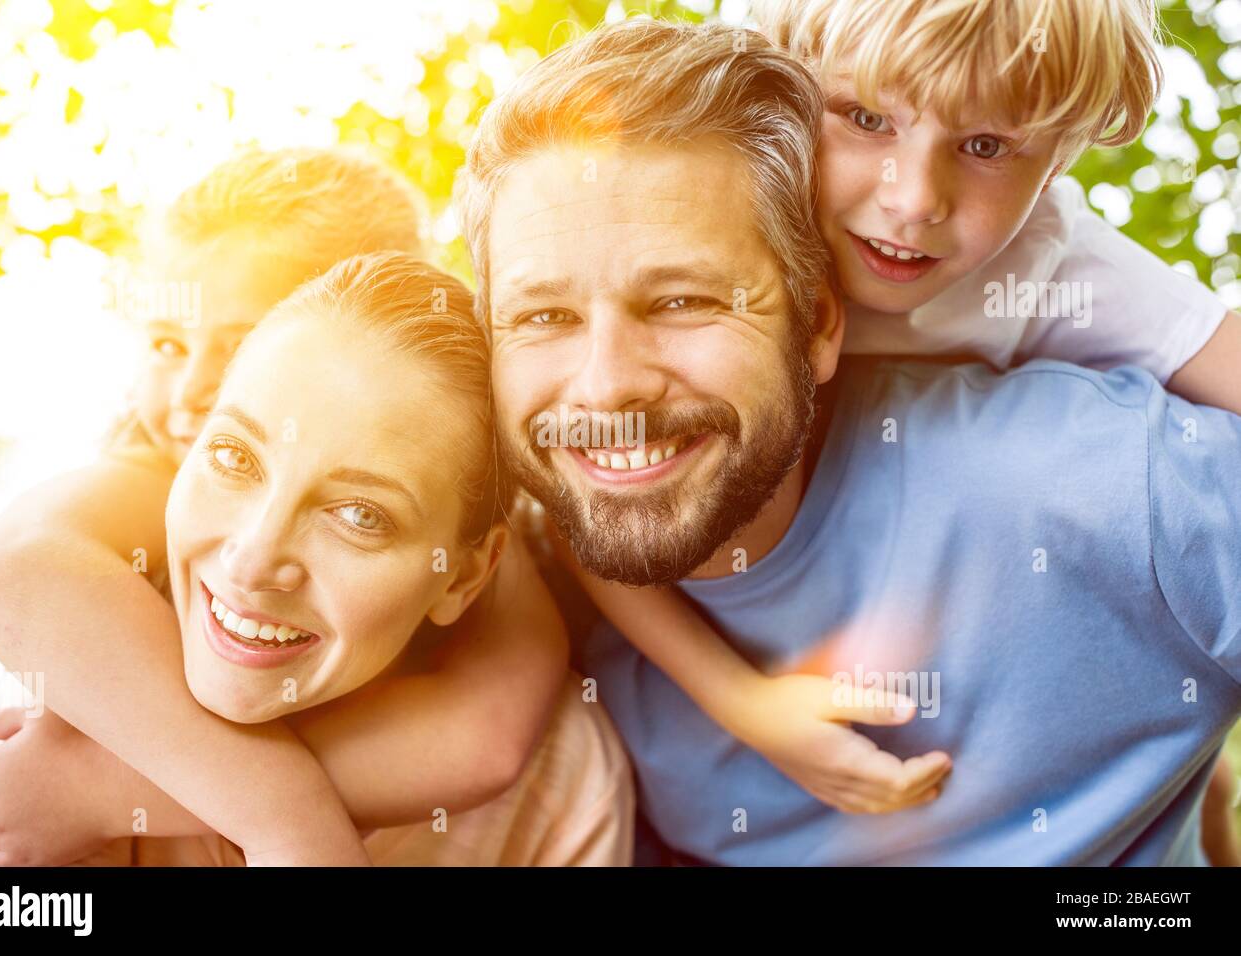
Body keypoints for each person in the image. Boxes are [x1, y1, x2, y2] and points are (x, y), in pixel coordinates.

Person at [462, 17, 1241, 864]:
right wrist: (741, 702)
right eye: (866, 119)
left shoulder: (1101, 406)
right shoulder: (540, 578)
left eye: (684, 300)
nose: (912, 200)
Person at [0, 151, 609, 864]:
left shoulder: (476, 557)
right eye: (168, 344)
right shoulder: (152, 472)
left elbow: (487, 737)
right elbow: (14, 569)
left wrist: (119, 789)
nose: (192, 390)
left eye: (237, 346)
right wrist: (281, 819)